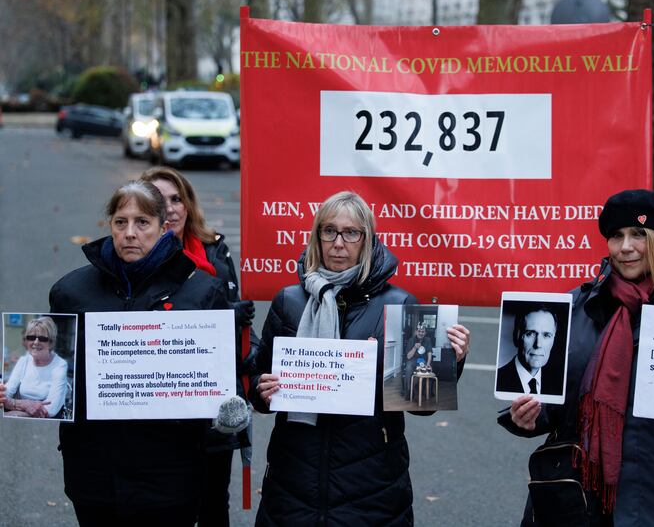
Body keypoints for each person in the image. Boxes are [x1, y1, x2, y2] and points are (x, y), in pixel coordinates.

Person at [498, 189, 654, 527]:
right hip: (577, 502)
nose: (626, 247)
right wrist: (530, 417)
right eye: (616, 236)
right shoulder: (576, 306)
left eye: (639, 234)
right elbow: (555, 403)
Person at [250, 191, 471, 526]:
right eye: (329, 231)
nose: (338, 243)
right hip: (294, 480)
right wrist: (261, 388)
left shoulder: (400, 303)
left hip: (371, 484)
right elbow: (261, 391)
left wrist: (450, 362)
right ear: (317, 236)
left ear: (367, 240)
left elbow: (421, 405)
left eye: (351, 233)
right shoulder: (289, 302)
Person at [49, 180, 230, 526]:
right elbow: (58, 374)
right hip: (93, 475)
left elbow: (221, 382)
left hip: (170, 478)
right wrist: (20, 391)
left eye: (142, 222)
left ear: (164, 228)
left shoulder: (202, 292)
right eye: (121, 222)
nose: (130, 233)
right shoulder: (70, 292)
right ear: (110, 226)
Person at [141, 165, 255, 527]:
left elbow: (241, 341)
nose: (171, 208)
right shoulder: (134, 261)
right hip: (157, 415)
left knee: (212, 505)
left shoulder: (216, 256)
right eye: (160, 200)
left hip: (213, 412)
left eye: (177, 199)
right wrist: (218, 318)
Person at [2, 316, 68, 418]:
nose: (36, 342)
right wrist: (25, 404)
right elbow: (5, 395)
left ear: (51, 342)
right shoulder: (24, 361)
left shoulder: (60, 365)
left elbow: (50, 410)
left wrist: (14, 412)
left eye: (42, 338)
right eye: (31, 338)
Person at [496, 305, 559, 395]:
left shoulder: (557, 385)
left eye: (546, 335)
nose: (538, 344)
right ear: (516, 336)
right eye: (530, 334)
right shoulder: (499, 381)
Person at [403, 322, 434, 398]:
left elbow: (429, 352)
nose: (421, 333)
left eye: (423, 331)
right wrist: (414, 348)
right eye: (419, 331)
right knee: (408, 368)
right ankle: (409, 391)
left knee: (429, 369)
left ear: (425, 333)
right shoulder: (411, 340)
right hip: (413, 360)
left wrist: (428, 363)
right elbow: (408, 356)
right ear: (416, 332)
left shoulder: (428, 340)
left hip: (423, 361)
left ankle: (425, 390)